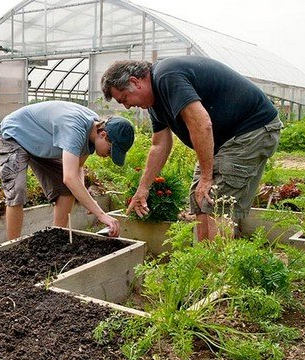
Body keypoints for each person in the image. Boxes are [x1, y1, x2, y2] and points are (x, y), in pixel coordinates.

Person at [101, 56, 282, 240]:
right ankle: (204, 262)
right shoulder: (154, 103)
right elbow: (159, 144)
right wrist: (143, 189)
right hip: (226, 139)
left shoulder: (167, 77)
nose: (127, 106)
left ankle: (218, 265)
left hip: (252, 129)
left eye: (124, 98)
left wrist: (206, 176)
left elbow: (202, 124)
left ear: (135, 82)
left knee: (215, 201)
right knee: (200, 199)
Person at [0, 100, 135, 240]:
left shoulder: (92, 133)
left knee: (68, 190)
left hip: (41, 142)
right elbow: (69, 178)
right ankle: (13, 246)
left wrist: (86, 201)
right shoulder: (75, 129)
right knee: (17, 190)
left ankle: (57, 238)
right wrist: (100, 214)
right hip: (15, 134)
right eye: (111, 150)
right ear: (103, 134)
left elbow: (78, 167)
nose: (109, 156)